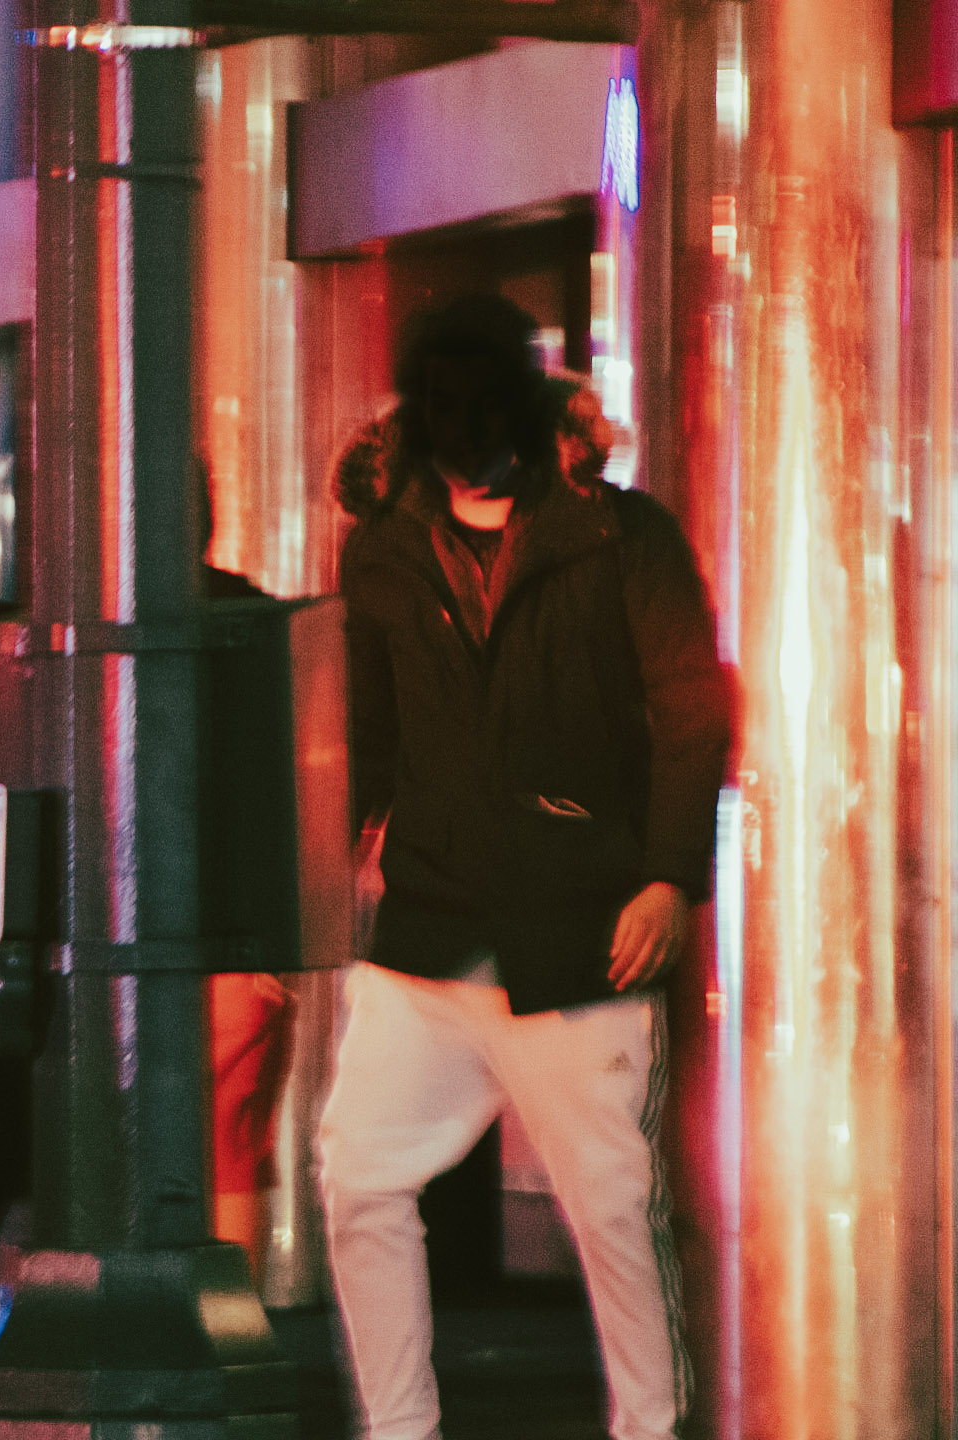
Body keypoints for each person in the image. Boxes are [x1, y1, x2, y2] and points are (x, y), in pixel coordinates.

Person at [321, 294, 730, 1440]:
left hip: (577, 925)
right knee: (358, 1177)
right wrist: (328, 869)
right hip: (432, 928)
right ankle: (399, 1428)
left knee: (608, 1206)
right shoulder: (385, 546)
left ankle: (649, 1427)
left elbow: (689, 711)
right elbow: (367, 732)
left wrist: (665, 877)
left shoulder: (619, 535)